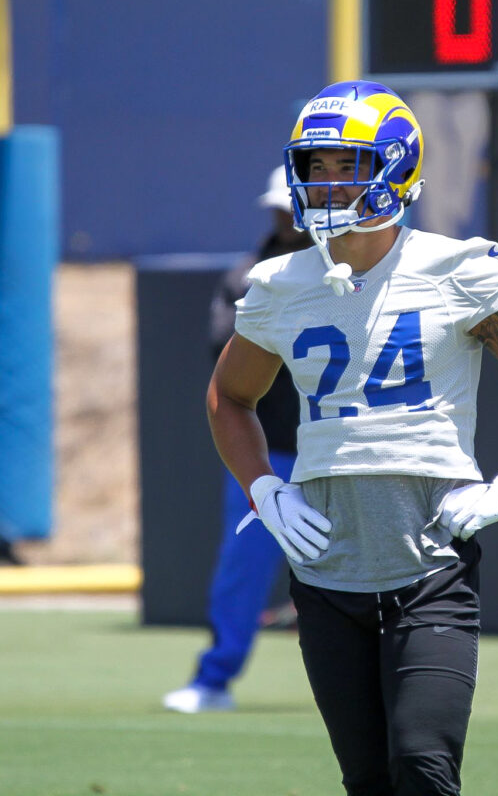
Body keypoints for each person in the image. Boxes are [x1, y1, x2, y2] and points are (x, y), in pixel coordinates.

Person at [206, 81, 498, 795]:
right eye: (314, 167)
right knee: (368, 781)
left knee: (423, 768)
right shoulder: (280, 284)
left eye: (345, 164)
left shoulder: (454, 269)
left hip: (428, 569)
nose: (325, 184)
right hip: (325, 575)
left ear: (396, 167)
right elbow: (230, 398)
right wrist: (262, 485)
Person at [162, 167, 312, 714]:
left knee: (372, 568)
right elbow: (226, 352)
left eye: (293, 208)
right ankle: (213, 680)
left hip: (345, 449)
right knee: (244, 567)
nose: (286, 218)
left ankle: (388, 687)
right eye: (280, 208)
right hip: (268, 453)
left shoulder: (353, 275)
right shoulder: (246, 277)